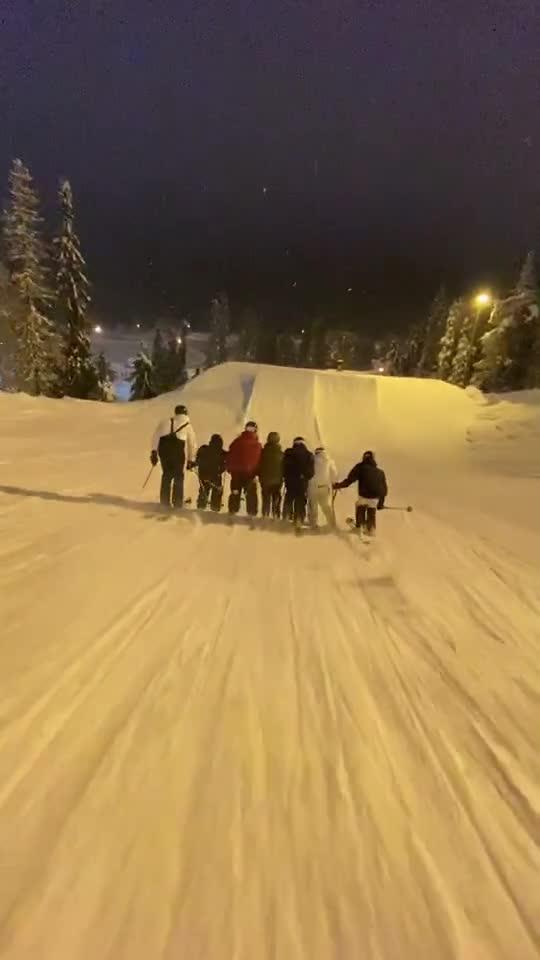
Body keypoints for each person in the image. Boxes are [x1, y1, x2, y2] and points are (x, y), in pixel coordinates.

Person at [150, 404, 197, 509]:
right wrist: (191, 460)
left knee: (166, 475)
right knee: (178, 476)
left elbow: (155, 437)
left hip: (164, 451)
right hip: (177, 452)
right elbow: (192, 444)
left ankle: (164, 502)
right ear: (185, 413)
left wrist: (154, 452)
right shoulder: (187, 425)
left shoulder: (164, 422)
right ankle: (177, 503)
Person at [334, 450, 388, 535]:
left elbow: (349, 480)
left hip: (364, 496)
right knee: (371, 509)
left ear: (363, 458)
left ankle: (359, 526)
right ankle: (371, 528)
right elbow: (384, 490)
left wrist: (337, 486)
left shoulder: (360, 467)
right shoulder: (380, 472)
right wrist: (380, 503)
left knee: (360, 505)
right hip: (375, 498)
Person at [226, 421, 262, 516]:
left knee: (235, 492)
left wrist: (229, 468)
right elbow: (260, 461)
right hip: (250, 474)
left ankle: (232, 511)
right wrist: (258, 472)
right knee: (251, 494)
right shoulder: (258, 445)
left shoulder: (236, 442)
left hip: (236, 473)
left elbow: (230, 455)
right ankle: (252, 513)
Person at [282, 437, 314, 526]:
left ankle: (286, 516)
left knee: (289, 498)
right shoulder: (309, 455)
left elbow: (283, 467)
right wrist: (305, 476)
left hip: (290, 481)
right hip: (302, 482)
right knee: (300, 500)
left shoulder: (288, 453)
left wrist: (285, 476)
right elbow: (311, 472)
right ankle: (299, 519)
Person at [308, 446, 338, 528]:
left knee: (313, 506)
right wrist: (334, 484)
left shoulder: (312, 460)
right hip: (324, 487)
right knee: (326, 506)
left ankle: (313, 524)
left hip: (312, 487)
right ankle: (332, 524)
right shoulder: (329, 460)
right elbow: (334, 474)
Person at [195, 434, 227, 511]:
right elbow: (225, 465)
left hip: (203, 475)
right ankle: (215, 508)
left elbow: (197, 460)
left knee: (204, 490)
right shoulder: (223, 453)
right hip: (216, 477)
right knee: (217, 491)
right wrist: (221, 471)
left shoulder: (203, 449)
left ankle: (201, 507)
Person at [258, 431, 284, 518]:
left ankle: (265, 513)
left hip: (265, 479)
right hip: (277, 480)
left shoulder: (262, 452)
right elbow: (284, 467)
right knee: (276, 496)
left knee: (266, 497)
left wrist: (259, 474)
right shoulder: (281, 454)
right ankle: (275, 513)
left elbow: (259, 464)